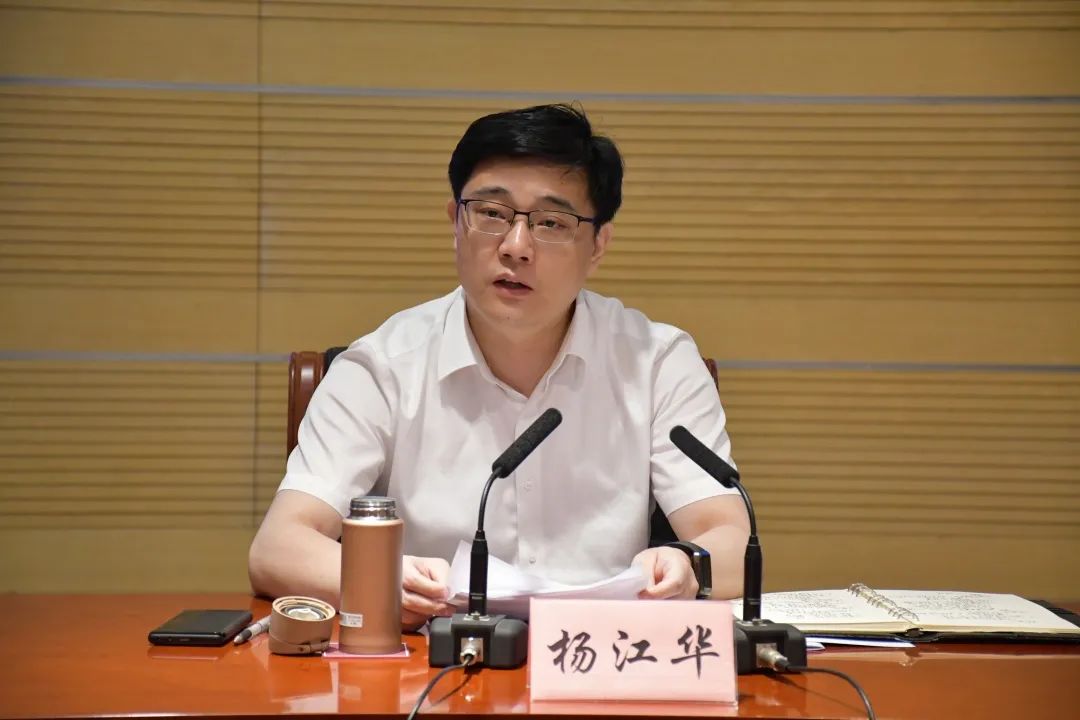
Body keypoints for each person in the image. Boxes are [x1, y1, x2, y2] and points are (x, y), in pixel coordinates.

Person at [249, 104, 750, 630]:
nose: (516, 247)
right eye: (491, 214)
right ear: (455, 222)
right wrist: (382, 578)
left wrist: (689, 566)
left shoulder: (657, 363)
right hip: (434, 660)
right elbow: (278, 547)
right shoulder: (382, 367)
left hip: (605, 657)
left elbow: (733, 541)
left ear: (598, 245)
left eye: (552, 223)